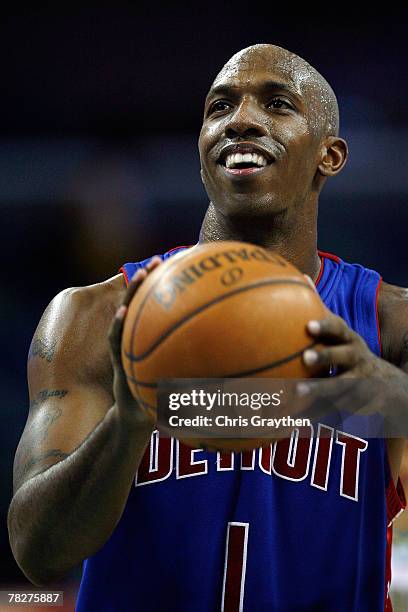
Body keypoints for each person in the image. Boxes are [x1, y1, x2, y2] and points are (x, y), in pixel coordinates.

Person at [8, 44, 407, 611]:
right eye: (220, 107)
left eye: (277, 104)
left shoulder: (389, 323)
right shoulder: (93, 317)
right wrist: (126, 425)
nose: (242, 119)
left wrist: (382, 392)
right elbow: (38, 551)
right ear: (201, 149)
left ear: (330, 155)